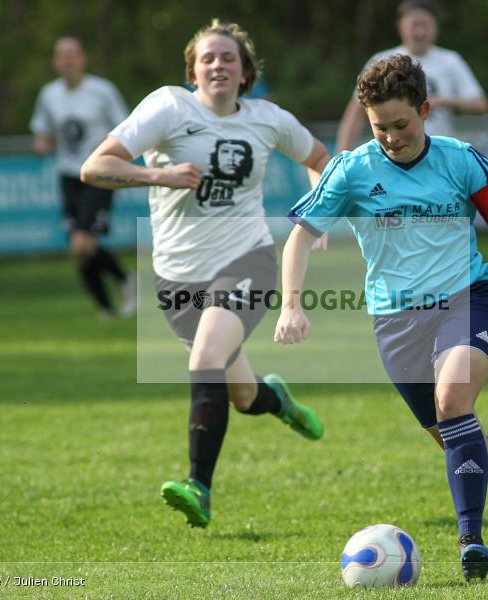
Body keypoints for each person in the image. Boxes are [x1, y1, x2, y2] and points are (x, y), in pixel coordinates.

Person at [275, 54, 488, 581]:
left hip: (467, 299)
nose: (391, 138)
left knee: (453, 404)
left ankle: (471, 541)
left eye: (401, 124)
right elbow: (299, 238)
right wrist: (291, 304)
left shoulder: (460, 159)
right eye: (380, 127)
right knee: (460, 441)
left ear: (425, 110)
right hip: (395, 322)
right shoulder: (352, 169)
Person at [81, 20, 331, 529]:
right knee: (242, 396)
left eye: (228, 58)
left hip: (247, 259)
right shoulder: (168, 107)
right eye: (208, 58)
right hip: (177, 279)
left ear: (246, 73)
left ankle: (199, 485)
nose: (218, 65)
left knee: (206, 358)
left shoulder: (268, 119)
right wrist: (159, 175)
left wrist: (317, 214)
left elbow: (320, 158)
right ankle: (276, 399)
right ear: (192, 72)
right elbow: (95, 167)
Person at [30, 36, 136, 319]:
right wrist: (42, 142)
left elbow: (126, 127)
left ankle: (125, 281)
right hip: (68, 175)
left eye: (73, 54)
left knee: (81, 242)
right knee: (80, 249)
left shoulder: (102, 91)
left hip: (100, 173)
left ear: (82, 58)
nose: (68, 60)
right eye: (62, 54)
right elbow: (43, 129)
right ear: (55, 61)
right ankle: (107, 306)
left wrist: (107, 145)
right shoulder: (49, 94)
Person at [335, 0, 488, 153]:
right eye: (414, 25)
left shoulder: (450, 60)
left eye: (425, 24)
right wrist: (340, 155)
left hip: (438, 153)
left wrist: (445, 99)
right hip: (392, 154)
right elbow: (356, 112)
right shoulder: (382, 61)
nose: (420, 32)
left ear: (435, 26)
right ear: (400, 26)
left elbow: (480, 104)